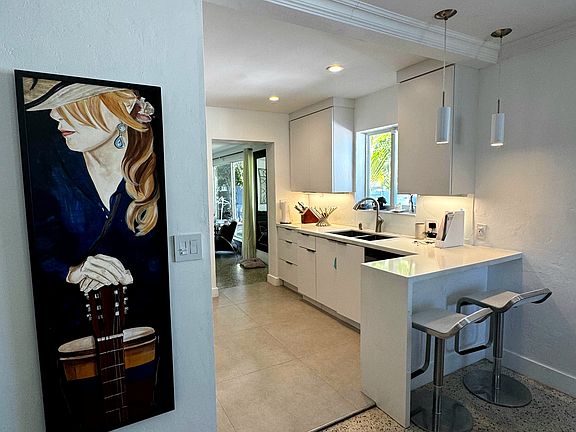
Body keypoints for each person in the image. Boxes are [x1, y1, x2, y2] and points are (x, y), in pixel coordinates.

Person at [21, 77, 173, 430]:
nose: (56, 117)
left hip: (145, 330)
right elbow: (39, 245)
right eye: (53, 108)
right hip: (68, 333)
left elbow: (163, 253)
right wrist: (73, 271)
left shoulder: (152, 164)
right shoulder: (48, 163)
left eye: (70, 106)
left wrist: (129, 274)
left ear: (120, 109)